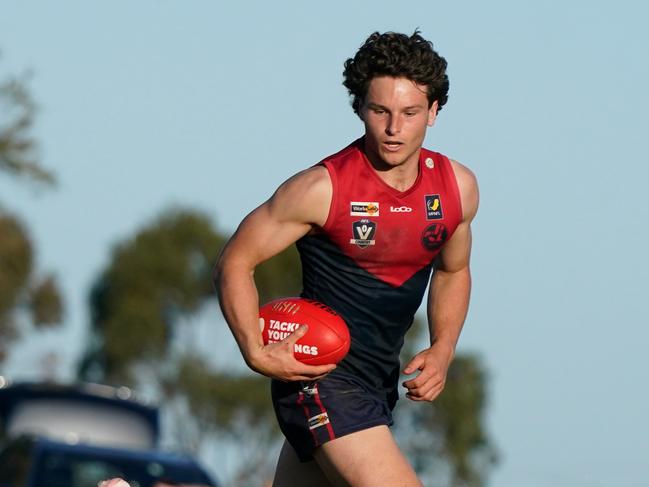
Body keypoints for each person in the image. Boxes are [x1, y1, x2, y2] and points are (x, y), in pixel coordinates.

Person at [215, 30, 479, 487]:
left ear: (434, 112)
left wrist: (443, 348)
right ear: (360, 108)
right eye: (380, 111)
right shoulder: (322, 189)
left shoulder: (456, 188)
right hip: (321, 381)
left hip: (376, 386)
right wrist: (255, 352)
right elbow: (234, 262)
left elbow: (453, 270)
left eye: (410, 113)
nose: (394, 128)